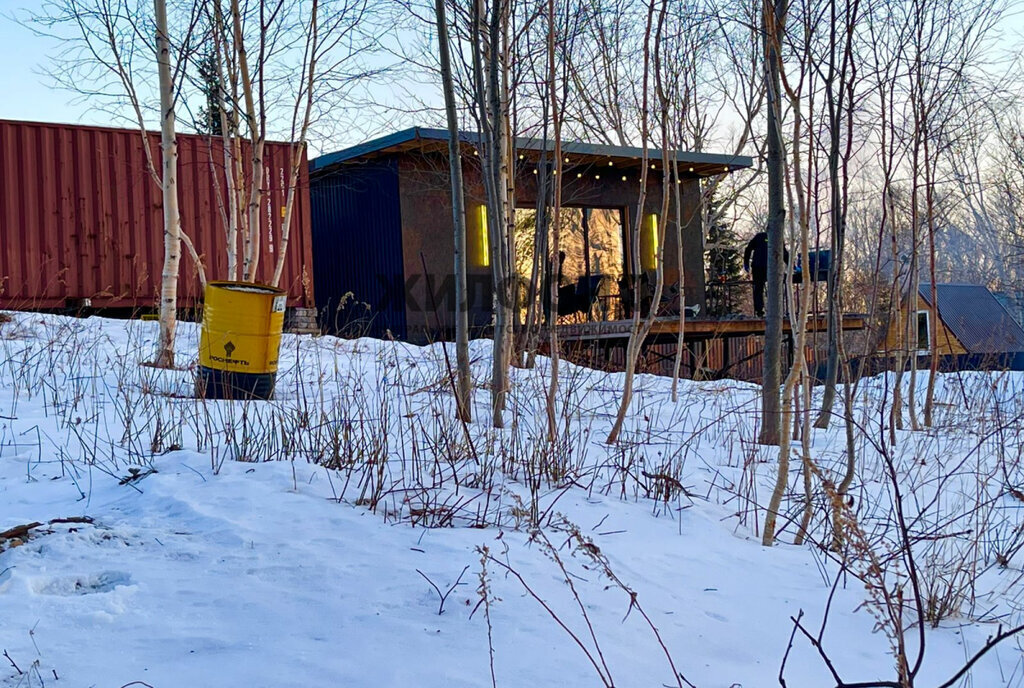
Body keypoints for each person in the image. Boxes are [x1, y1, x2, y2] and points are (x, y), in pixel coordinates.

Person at [743, 230, 788, 318]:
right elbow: (784, 253)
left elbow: (748, 249)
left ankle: (761, 311)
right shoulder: (773, 236)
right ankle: (770, 310)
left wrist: (746, 263)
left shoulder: (760, 236)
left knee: (759, 289)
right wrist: (791, 265)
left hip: (761, 267)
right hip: (767, 267)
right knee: (771, 289)